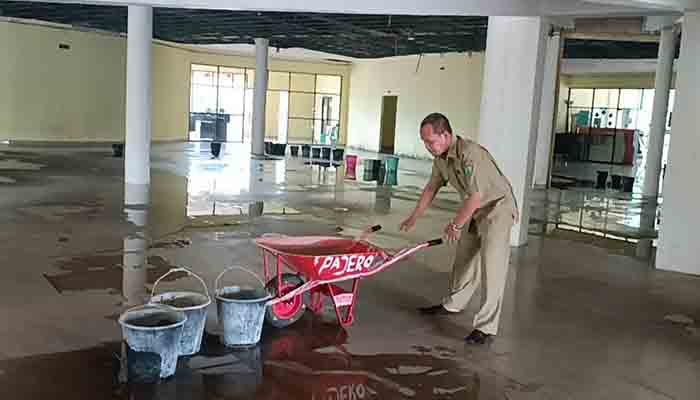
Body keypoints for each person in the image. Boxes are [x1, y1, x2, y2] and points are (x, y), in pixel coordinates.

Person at [399, 113, 518, 345]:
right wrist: (414, 216)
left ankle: (486, 328)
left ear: (446, 135)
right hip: (475, 208)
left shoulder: (469, 153)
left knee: (491, 266)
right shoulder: (441, 159)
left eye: (430, 141)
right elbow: (431, 188)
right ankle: (453, 305)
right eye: (424, 142)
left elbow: (476, 195)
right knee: (464, 259)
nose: (427, 147)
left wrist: (456, 224)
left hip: (497, 208)